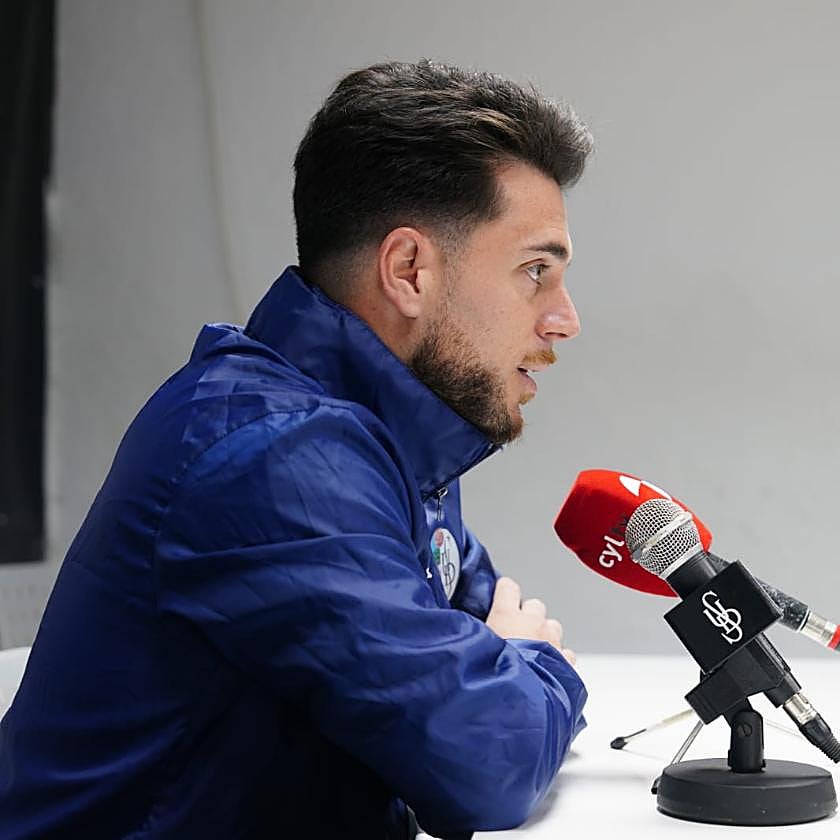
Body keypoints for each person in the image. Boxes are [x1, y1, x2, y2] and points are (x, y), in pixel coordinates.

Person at [0, 60, 592, 839]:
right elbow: (488, 756)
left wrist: (507, 670)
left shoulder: (384, 437)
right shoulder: (277, 457)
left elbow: (475, 665)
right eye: (535, 272)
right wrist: (539, 668)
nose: (564, 319)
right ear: (409, 270)